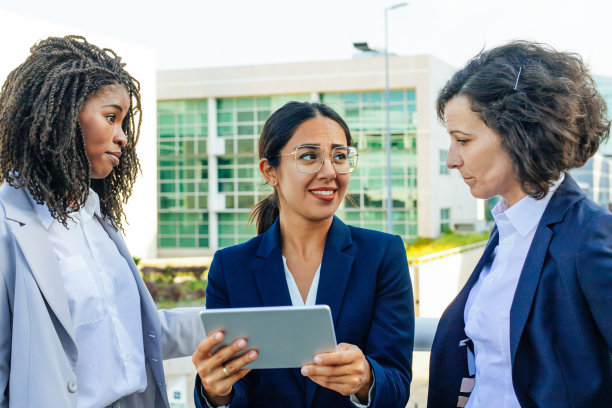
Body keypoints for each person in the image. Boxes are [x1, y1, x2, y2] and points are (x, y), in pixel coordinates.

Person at [0, 36, 203, 408]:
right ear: (62, 112)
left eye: (123, 122)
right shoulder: (7, 230)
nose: (123, 137)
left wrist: (241, 318)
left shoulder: (97, 221)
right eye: (111, 117)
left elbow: (141, 333)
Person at [191, 101, 414, 408]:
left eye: (339, 156)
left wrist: (366, 379)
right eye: (309, 156)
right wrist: (216, 393)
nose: (329, 172)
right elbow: (233, 388)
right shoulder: (230, 267)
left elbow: (397, 384)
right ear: (270, 171)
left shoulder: (382, 255)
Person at [427, 41, 612, 408]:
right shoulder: (506, 229)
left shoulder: (589, 234)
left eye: (462, 140)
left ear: (520, 133)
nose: (451, 159)